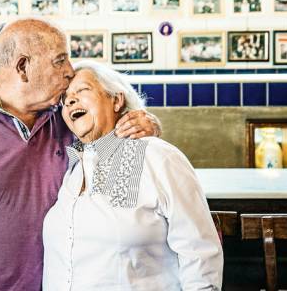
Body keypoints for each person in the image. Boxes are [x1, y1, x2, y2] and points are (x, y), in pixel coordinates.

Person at [0, 19, 160, 291]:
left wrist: (146, 125)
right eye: (60, 60)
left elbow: (108, 150)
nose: (69, 71)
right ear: (23, 67)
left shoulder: (64, 117)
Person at [43, 61, 223, 290]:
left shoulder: (156, 156)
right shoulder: (72, 168)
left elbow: (199, 253)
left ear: (116, 100)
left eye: (83, 90)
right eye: (65, 98)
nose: (70, 100)